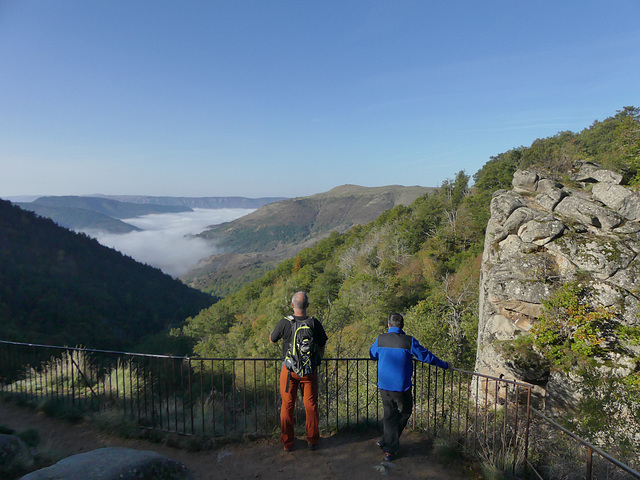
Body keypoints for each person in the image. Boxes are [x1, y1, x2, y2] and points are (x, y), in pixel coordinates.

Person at [369, 312, 449, 461]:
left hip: (384, 385)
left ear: (389, 325)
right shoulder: (408, 341)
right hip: (401, 387)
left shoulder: (380, 339)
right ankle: (390, 450)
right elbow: (426, 356)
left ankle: (386, 440)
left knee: (389, 415)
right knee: (405, 411)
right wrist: (444, 365)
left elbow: (372, 354)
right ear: (402, 326)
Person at [270, 291, 328, 452]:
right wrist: (318, 359)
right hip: (309, 371)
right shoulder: (314, 323)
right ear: (307, 306)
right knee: (311, 405)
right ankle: (313, 440)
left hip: (289, 372)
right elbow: (322, 343)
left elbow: (272, 339)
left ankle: (287, 443)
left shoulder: (285, 322)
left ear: (292, 305)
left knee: (287, 406)